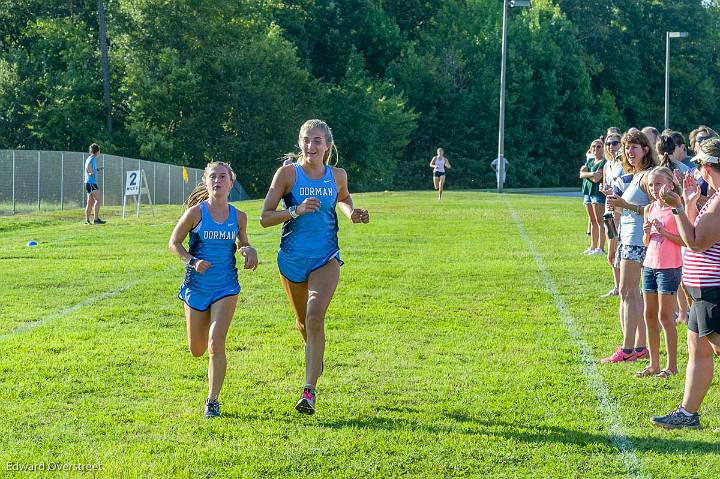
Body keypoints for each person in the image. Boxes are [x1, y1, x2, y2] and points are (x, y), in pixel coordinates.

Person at [260, 119, 369, 415]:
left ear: (327, 146)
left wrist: (351, 214)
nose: (311, 146)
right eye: (307, 140)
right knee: (303, 323)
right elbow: (265, 217)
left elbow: (343, 198)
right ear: (300, 143)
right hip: (292, 260)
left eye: (317, 141)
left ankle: (308, 392)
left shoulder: (338, 175)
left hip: (326, 257)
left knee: (314, 317)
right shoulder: (287, 174)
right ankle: (314, 354)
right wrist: (294, 210)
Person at [168, 161, 258, 418]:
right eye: (212, 177)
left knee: (216, 342)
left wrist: (248, 250)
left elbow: (243, 243)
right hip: (196, 286)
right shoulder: (196, 213)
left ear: (231, 183)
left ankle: (212, 401)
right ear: (206, 183)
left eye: (222, 177)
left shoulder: (239, 216)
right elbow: (174, 243)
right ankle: (203, 330)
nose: (217, 181)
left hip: (226, 286)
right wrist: (193, 261)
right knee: (197, 349)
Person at [651, 139, 720, 429]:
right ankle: (688, 414)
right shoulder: (713, 197)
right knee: (699, 351)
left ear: (706, 167)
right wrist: (689, 201)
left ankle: (688, 414)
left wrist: (677, 207)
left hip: (712, 289)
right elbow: (694, 233)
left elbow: (695, 241)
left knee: (713, 349)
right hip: (699, 289)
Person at [601, 130, 656, 363]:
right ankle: (639, 346)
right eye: (626, 147)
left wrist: (624, 204)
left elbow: (657, 212)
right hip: (628, 238)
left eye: (634, 147)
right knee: (633, 293)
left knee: (626, 291)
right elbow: (628, 211)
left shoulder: (648, 176)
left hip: (637, 242)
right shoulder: (634, 175)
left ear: (645, 149)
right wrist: (615, 203)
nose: (628, 152)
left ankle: (627, 349)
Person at [635, 167, 683, 379]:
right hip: (650, 266)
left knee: (666, 316)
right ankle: (654, 364)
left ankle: (671, 366)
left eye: (658, 184)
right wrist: (647, 233)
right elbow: (647, 243)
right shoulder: (649, 209)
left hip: (669, 267)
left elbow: (684, 241)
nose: (654, 189)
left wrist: (663, 232)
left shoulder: (676, 207)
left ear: (670, 184)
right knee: (649, 315)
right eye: (651, 185)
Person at [602, 133, 623, 296]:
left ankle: (626, 286)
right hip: (609, 212)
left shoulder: (624, 163)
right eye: (608, 143)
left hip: (621, 212)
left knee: (621, 252)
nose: (611, 146)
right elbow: (606, 184)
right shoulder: (607, 164)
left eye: (615, 143)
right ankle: (617, 286)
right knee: (611, 253)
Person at [579, 139, 606, 255]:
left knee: (600, 222)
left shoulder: (604, 163)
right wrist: (591, 173)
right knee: (593, 221)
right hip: (588, 193)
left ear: (603, 148)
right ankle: (593, 246)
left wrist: (587, 174)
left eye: (599, 146)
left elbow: (597, 179)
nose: (596, 149)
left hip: (597, 194)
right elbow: (581, 174)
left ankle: (600, 248)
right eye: (593, 146)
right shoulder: (590, 161)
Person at [84, 143, 105, 224]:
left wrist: (98, 169)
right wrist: (90, 173)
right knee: (98, 200)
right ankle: (96, 219)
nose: (99, 152)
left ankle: (87, 220)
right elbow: (88, 166)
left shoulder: (90, 158)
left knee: (90, 202)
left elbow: (91, 167)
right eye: (99, 150)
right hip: (91, 182)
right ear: (97, 151)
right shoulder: (92, 158)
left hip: (88, 183)